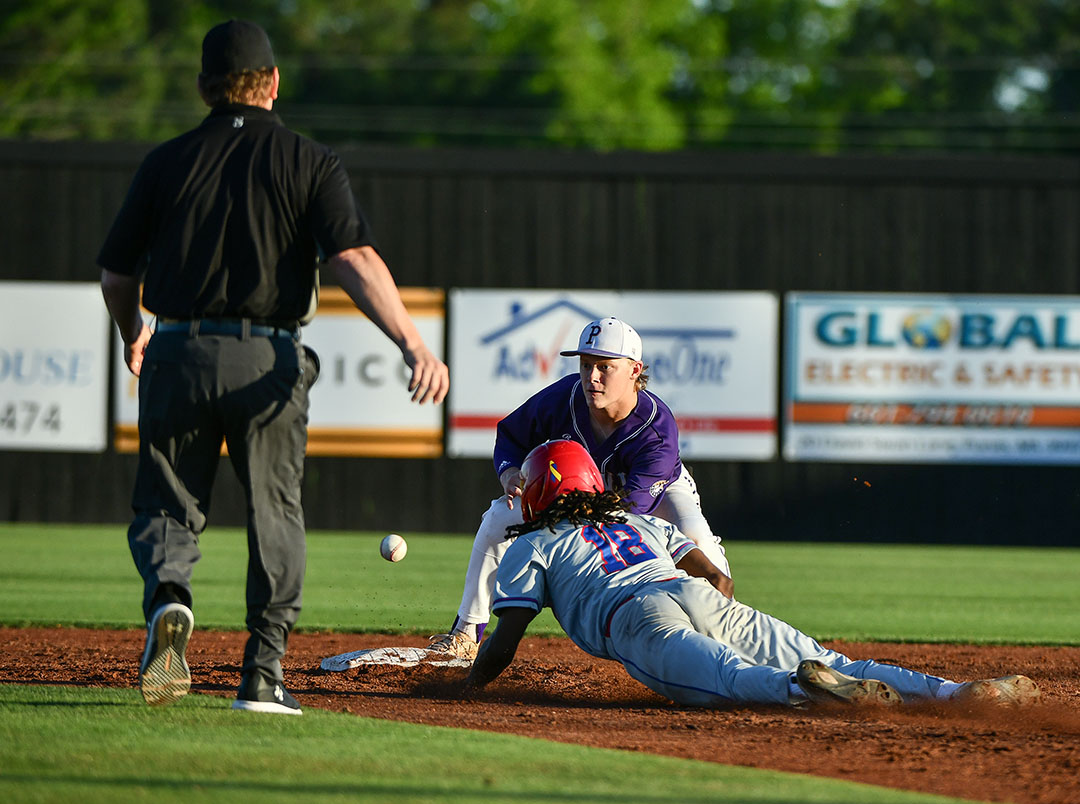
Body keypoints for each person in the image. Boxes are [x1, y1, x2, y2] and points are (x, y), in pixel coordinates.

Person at [98, 20, 449, 715]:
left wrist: (133, 329)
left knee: (168, 503)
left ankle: (171, 599)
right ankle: (262, 675)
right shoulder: (308, 160)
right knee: (274, 511)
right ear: (274, 83)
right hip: (268, 356)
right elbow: (353, 259)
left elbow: (114, 273)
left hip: (178, 351)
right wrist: (413, 343)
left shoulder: (165, 162)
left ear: (204, 87)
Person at [463, 440, 1041, 709]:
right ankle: (958, 691)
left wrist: (466, 685)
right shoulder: (639, 522)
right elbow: (717, 579)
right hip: (687, 588)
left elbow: (505, 642)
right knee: (832, 658)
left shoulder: (530, 545)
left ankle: (803, 692)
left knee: (730, 680)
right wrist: (713, 613)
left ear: (538, 492)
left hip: (634, 617)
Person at [428, 316, 731, 660]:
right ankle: (466, 633)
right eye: (586, 365)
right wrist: (510, 473)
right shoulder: (565, 397)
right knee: (500, 516)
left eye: (605, 367)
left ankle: (727, 634)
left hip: (654, 494)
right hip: (577, 487)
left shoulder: (656, 431)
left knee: (694, 538)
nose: (592, 377)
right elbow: (510, 435)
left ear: (635, 371)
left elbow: (628, 515)